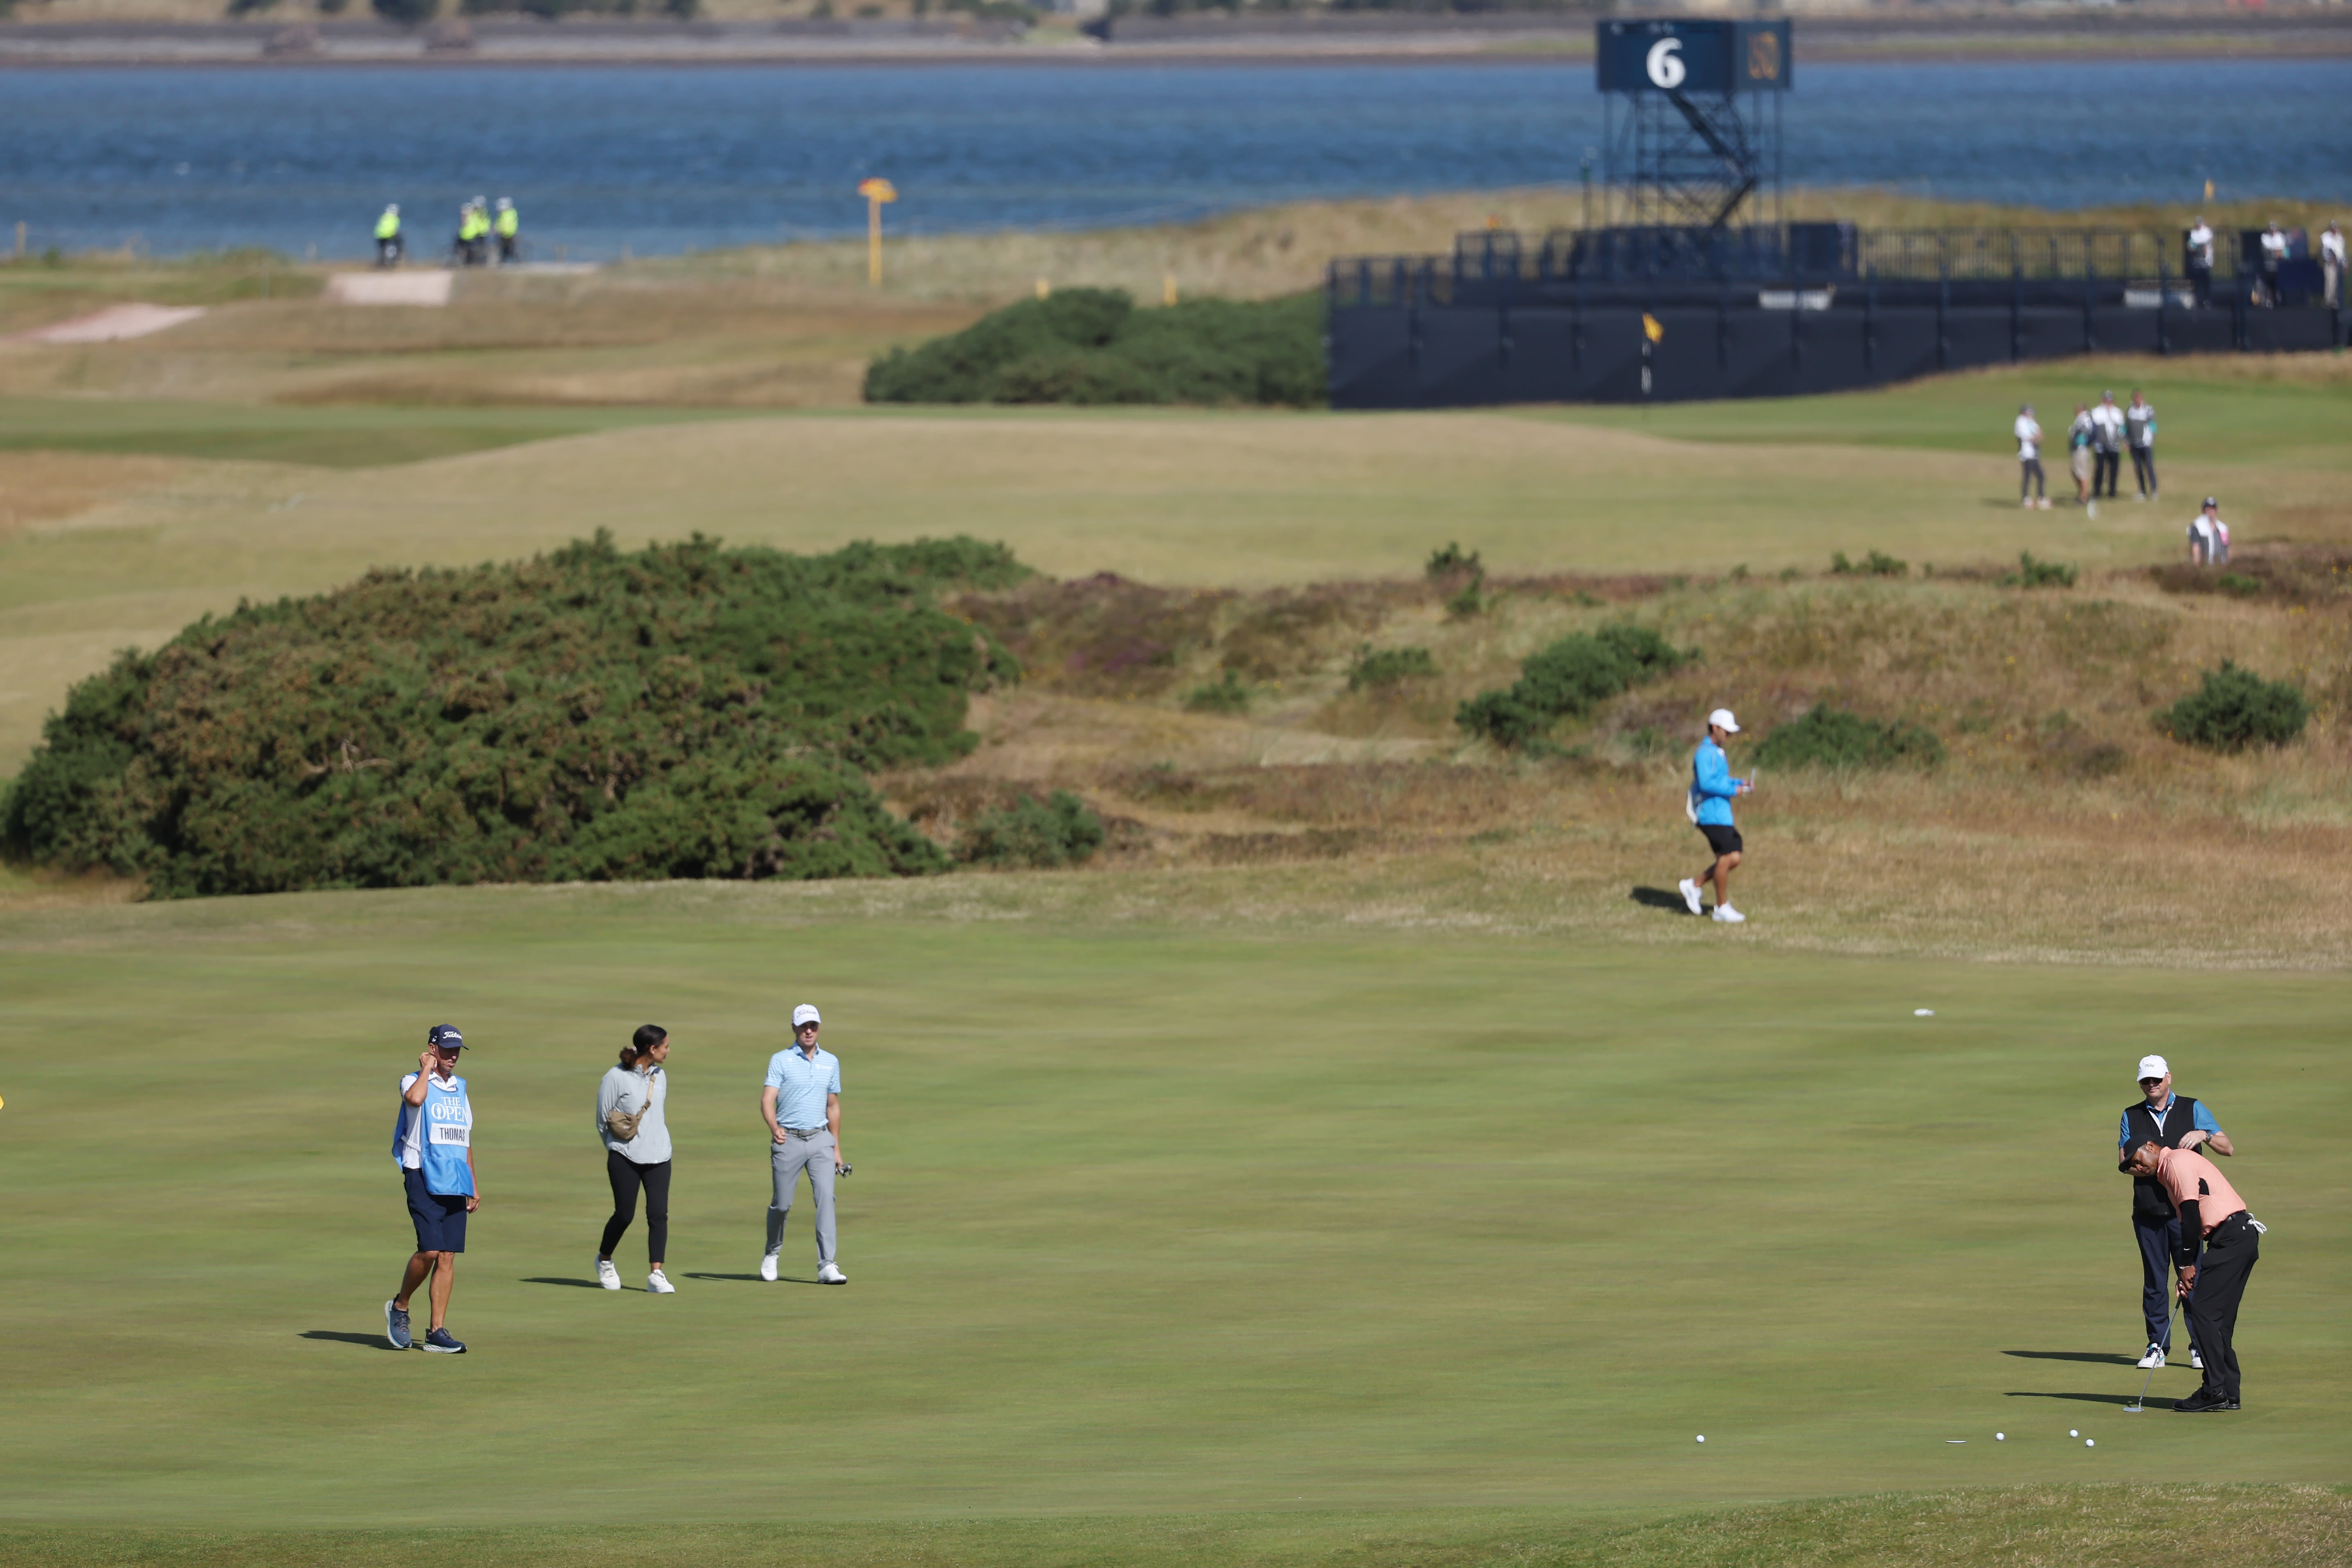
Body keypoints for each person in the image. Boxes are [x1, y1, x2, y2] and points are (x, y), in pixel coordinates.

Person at [2124, 1137, 2263, 1411]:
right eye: (2132, 1166)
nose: (2137, 1167)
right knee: (2216, 1318)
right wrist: (2187, 1267)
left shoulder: (2175, 1163)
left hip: (2231, 1237)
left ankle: (2214, 1391)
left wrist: (2186, 1264)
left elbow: (2190, 1214)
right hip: (2237, 1238)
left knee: (2203, 1312)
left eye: (2138, 1159)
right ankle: (2227, 1392)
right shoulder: (2168, 1171)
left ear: (2151, 1147)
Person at [2116, 1054, 2231, 1371]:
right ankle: (2156, 1345)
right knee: (2154, 1280)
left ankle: (2198, 1345)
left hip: (2187, 1212)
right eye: (2145, 1081)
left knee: (2192, 1277)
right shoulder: (2131, 1115)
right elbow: (2126, 1163)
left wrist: (2203, 1135)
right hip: (2149, 1212)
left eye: (2155, 1079)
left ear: (2168, 1078)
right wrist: (2164, 1167)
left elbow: (2227, 1147)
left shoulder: (2191, 1109)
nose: (2151, 1085)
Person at [387, 1025, 477, 1354]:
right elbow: (415, 1099)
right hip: (422, 1173)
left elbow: (463, 1137)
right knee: (429, 1250)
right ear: (432, 1049)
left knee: (448, 1255)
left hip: (454, 1178)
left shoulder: (460, 1087)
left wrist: (473, 1185)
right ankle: (400, 1307)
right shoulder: (413, 1080)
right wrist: (427, 1068)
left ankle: (436, 1332)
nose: (453, 1056)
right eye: (447, 1050)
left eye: (457, 1051)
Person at [760, 1003, 848, 1285]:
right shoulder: (781, 1060)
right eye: (803, 1026)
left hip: (820, 1138)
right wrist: (774, 1128)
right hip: (789, 1139)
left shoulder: (831, 1061)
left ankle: (827, 1265)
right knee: (782, 1205)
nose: (809, 1031)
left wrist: (835, 1147)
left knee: (826, 1200)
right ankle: (772, 1253)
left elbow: (832, 1107)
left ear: (819, 1028)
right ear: (794, 1029)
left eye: (813, 1026)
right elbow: (767, 1100)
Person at [596, 1024, 675, 1295]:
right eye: (665, 1046)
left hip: (660, 1155)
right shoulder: (615, 1077)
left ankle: (656, 1273)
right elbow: (602, 1119)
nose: (668, 1050)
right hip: (624, 1157)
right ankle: (604, 1260)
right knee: (624, 1215)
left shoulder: (660, 1075)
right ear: (652, 1049)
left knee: (658, 1215)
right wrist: (615, 1150)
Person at [1679, 708, 1754, 925]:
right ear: (1715, 728)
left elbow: (1721, 779)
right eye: (1727, 731)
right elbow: (1706, 783)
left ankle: (1694, 885)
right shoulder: (1705, 752)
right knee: (1726, 856)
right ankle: (1721, 908)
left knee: (1734, 857)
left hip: (1722, 814)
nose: (1729, 736)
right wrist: (1734, 791)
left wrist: (1741, 784)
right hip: (1709, 813)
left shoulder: (1718, 752)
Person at [2089, 390, 2125, 505]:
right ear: (2102, 400)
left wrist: (2124, 441)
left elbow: (2121, 429)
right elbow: (2093, 429)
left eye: (2110, 400)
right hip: (2101, 445)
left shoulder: (2118, 412)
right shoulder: (2096, 412)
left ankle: (2112, 491)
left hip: (2114, 445)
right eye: (2106, 400)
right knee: (2100, 469)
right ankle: (2097, 491)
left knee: (2114, 469)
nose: (2108, 403)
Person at [2124, 390, 2158, 502]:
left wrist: (2151, 438)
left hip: (2146, 444)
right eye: (2136, 399)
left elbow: (2153, 425)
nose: (2138, 401)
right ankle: (2142, 491)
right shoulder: (2130, 411)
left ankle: (2154, 491)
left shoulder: (2148, 410)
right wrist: (2126, 441)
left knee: (2149, 467)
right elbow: (2127, 427)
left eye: (2139, 398)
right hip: (2135, 444)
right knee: (2138, 469)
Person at [2013, 404, 2048, 509]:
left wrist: (2038, 437)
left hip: (2034, 453)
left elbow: (2040, 434)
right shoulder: (2021, 422)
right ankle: (2026, 499)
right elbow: (2028, 437)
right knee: (2028, 477)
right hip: (2027, 453)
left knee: (2041, 476)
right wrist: (2036, 437)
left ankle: (2041, 498)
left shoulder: (2031, 422)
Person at [2066, 403, 2096, 510]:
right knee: (2075, 472)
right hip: (2076, 450)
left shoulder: (2085, 418)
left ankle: (2084, 497)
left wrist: (2081, 441)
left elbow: (2087, 430)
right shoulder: (2081, 419)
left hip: (2081, 450)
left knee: (2082, 473)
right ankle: (2083, 493)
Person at [2184, 217, 2215, 308]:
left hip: (2206, 262)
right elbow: (2191, 245)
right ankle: (2198, 299)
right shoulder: (2193, 233)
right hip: (2197, 262)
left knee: (2206, 281)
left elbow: (2206, 243)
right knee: (2197, 281)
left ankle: (2207, 300)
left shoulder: (2208, 232)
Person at [2258, 221, 2287, 307]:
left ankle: (2280, 301)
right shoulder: (2264, 237)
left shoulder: (2281, 237)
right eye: (2271, 230)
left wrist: (2277, 252)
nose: (2273, 232)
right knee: (2269, 284)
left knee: (2279, 284)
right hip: (2268, 266)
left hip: (2279, 265)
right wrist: (2276, 251)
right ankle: (2270, 302)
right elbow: (2267, 250)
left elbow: (2282, 252)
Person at [2187, 497, 2223, 567]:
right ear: (2204, 511)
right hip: (2204, 565)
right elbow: (2195, 547)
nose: (2211, 511)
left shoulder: (2222, 528)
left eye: (2213, 509)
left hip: (2220, 565)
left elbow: (2226, 546)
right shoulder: (2197, 526)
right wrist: (2197, 565)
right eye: (2208, 509)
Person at [2322, 221, 2345, 310]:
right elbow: (2326, 251)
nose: (2335, 230)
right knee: (2330, 282)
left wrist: (2344, 263)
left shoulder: (2340, 238)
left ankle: (2335, 301)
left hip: (2338, 264)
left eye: (2336, 228)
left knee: (2337, 283)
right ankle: (2328, 301)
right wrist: (2331, 260)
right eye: (2333, 229)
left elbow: (2342, 252)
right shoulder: (2326, 238)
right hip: (2330, 265)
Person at [373, 203, 403, 269]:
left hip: (379, 235)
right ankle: (393, 260)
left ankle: (381, 263)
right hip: (389, 235)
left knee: (382, 250)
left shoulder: (383, 217)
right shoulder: (395, 218)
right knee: (397, 246)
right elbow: (394, 228)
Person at [494, 197, 520, 265]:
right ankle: (505, 261)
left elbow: (507, 224)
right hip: (504, 234)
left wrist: (502, 230)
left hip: (509, 234)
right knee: (504, 249)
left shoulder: (509, 213)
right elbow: (500, 223)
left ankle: (511, 261)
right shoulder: (504, 214)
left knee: (509, 249)